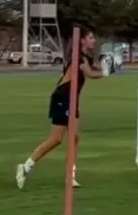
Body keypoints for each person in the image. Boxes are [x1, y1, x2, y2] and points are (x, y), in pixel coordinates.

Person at [15, 28, 105, 190]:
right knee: (56, 139)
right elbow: (91, 74)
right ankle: (25, 166)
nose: (94, 41)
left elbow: (94, 68)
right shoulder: (78, 57)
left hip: (71, 99)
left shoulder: (85, 57)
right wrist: (107, 71)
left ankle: (70, 177)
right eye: (90, 38)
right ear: (82, 40)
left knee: (74, 138)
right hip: (63, 98)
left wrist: (107, 65)